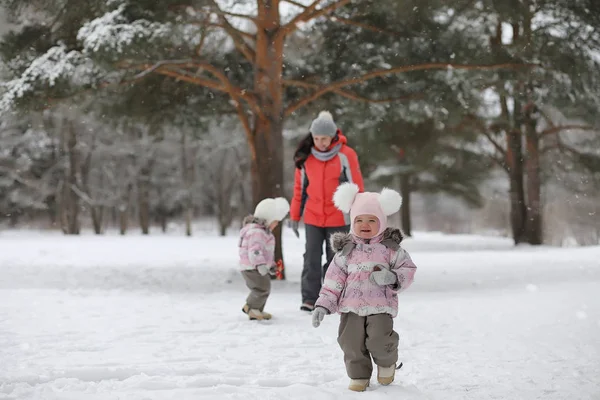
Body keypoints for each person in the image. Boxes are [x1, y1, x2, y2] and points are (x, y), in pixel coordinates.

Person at [311, 182, 417, 392]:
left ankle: (387, 362)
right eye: (359, 220)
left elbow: (408, 269)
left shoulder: (390, 249)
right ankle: (359, 375)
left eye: (371, 220)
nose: (365, 224)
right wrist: (323, 305)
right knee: (350, 342)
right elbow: (333, 281)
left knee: (379, 339)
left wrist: (392, 277)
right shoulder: (345, 251)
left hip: (380, 306)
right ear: (352, 221)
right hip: (350, 307)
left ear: (382, 221)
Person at [289, 111, 365, 312]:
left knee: (336, 261)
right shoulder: (306, 158)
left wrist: (361, 215)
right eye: (316, 138)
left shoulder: (346, 155)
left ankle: (333, 297)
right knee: (311, 258)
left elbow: (356, 186)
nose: (320, 143)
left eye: (324, 138)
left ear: (333, 136)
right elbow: (299, 189)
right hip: (313, 217)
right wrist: (295, 216)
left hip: (339, 217)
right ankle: (309, 298)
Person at [238, 197, 290, 321]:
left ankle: (256, 310)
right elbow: (254, 251)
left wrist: (270, 265)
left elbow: (266, 253)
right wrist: (260, 264)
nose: (277, 224)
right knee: (261, 288)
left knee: (264, 287)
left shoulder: (263, 232)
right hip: (252, 267)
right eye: (275, 221)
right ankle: (251, 307)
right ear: (268, 219)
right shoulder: (257, 232)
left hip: (254, 266)